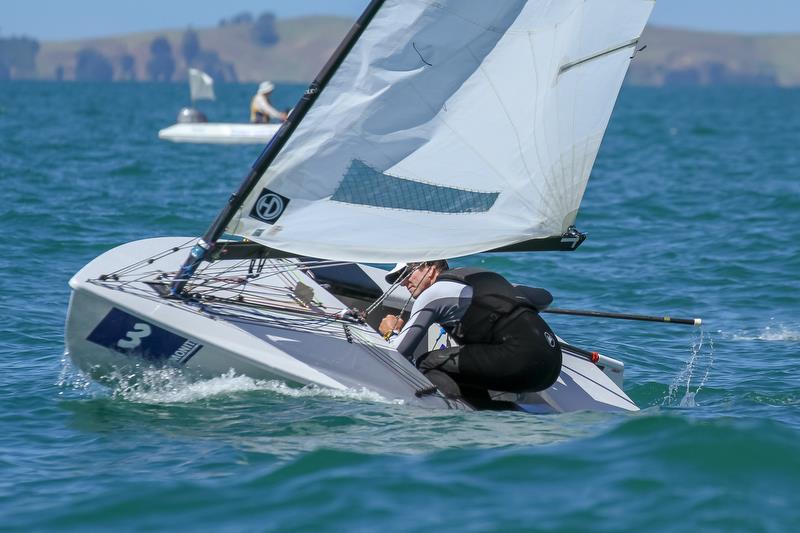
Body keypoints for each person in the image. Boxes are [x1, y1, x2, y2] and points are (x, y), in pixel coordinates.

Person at [379, 261, 562, 406]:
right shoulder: (481, 277)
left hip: (521, 361)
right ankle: (498, 410)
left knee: (428, 362)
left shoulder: (433, 294)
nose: (403, 282)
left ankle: (455, 411)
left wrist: (390, 333)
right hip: (551, 364)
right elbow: (544, 296)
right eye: (398, 278)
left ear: (431, 268)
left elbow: (399, 353)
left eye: (407, 273)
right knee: (464, 365)